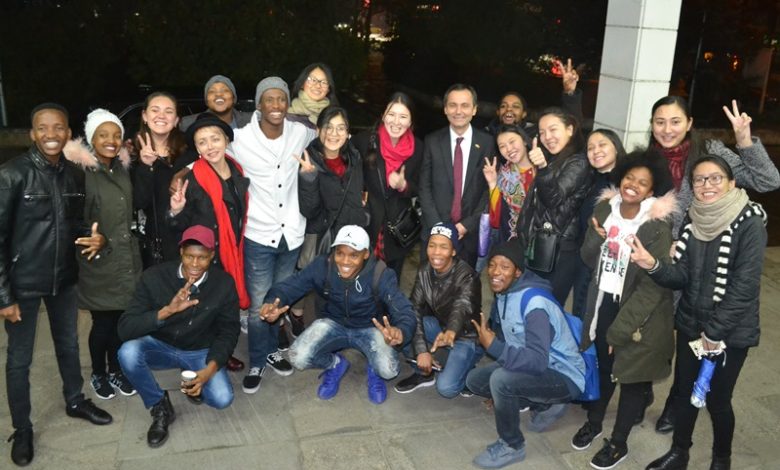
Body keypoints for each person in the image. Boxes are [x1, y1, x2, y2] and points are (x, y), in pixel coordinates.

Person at [648, 97, 780, 434]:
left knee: (688, 339)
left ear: (689, 123)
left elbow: (767, 181)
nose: (667, 129)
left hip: (699, 262)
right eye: (660, 122)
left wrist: (745, 141)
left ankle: (676, 404)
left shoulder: (709, 153)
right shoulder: (646, 158)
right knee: (656, 333)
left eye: (675, 121)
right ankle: (642, 391)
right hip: (656, 262)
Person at [630, 155, 767, 470]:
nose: (707, 185)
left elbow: (744, 288)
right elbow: (682, 276)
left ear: (732, 183)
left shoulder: (749, 223)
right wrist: (653, 265)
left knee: (718, 399)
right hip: (692, 324)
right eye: (700, 179)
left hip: (730, 331)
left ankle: (721, 459)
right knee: (684, 393)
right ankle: (679, 453)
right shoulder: (693, 218)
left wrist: (714, 333)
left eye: (715, 178)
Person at [0, 103, 112, 467]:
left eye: (59, 127)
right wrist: (4, 296)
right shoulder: (12, 175)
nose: (51, 134)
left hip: (64, 279)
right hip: (22, 285)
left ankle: (75, 400)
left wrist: (98, 239)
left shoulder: (73, 175)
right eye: (43, 128)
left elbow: (74, 224)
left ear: (68, 133)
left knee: (68, 344)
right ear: (33, 134)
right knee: (19, 360)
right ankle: (22, 429)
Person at [572, 151, 677, 469]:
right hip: (605, 301)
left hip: (641, 314)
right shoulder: (605, 208)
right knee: (605, 367)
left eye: (643, 182)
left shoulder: (656, 225)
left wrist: (620, 329)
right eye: (630, 177)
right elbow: (588, 258)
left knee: (632, 377)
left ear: (651, 190)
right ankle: (594, 421)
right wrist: (595, 238)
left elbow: (653, 286)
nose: (633, 185)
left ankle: (618, 443)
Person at [258, 225, 416, 404]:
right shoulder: (322, 266)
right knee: (298, 357)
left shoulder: (381, 274)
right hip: (333, 324)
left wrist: (401, 330)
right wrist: (272, 301)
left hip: (370, 328)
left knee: (388, 370)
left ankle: (374, 369)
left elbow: (404, 309)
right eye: (340, 253)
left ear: (366, 254)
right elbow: (291, 286)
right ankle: (336, 364)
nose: (345, 262)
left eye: (353, 255)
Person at [231, 76, 317, 394]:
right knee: (258, 306)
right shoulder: (240, 138)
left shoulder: (300, 132)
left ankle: (271, 352)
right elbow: (207, 150)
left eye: (281, 99)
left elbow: (331, 135)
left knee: (278, 300)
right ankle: (257, 360)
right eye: (269, 99)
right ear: (259, 104)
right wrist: (182, 172)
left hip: (291, 234)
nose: (276, 105)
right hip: (258, 233)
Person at [118, 225, 240, 448]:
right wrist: (166, 311)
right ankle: (159, 405)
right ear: (181, 252)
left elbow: (229, 330)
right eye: (189, 256)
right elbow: (125, 328)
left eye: (202, 258)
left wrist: (209, 370)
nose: (195, 264)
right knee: (127, 353)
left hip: (199, 350)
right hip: (161, 345)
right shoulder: (154, 277)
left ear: (212, 256)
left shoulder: (223, 284)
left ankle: (193, 382)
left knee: (222, 399)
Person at [466, 243, 585, 469]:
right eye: (492, 265)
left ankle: (512, 445)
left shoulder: (534, 304)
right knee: (475, 381)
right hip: (534, 365)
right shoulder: (506, 293)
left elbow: (538, 362)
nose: (495, 272)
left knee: (500, 381)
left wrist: (494, 347)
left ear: (518, 272)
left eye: (505, 267)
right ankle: (541, 403)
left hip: (563, 375)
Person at [62, 108, 141, 399]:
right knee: (103, 324)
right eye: (103, 135)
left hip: (125, 258)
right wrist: (91, 235)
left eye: (117, 135)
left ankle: (116, 370)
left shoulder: (122, 168)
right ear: (91, 139)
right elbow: (70, 216)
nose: (111, 140)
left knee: (120, 321)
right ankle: (98, 373)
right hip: (97, 260)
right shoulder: (79, 172)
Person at [167, 113, 251, 372]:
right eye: (202, 142)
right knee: (206, 310)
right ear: (196, 147)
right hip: (206, 255)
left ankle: (221, 353)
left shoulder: (237, 169)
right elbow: (179, 227)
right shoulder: (191, 179)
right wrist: (176, 211)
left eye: (215, 139)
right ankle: (204, 359)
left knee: (224, 307)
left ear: (226, 140)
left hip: (233, 249)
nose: (210, 146)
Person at [513, 107, 593, 305]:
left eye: (553, 129)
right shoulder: (555, 158)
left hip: (557, 249)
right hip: (541, 244)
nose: (547, 137)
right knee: (530, 303)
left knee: (545, 307)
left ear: (570, 130)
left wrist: (542, 168)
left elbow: (553, 198)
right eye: (542, 132)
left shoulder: (578, 162)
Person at [394, 223, 482, 397]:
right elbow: (414, 308)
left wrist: (451, 331)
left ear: (453, 251)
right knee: (405, 326)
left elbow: (462, 306)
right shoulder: (424, 270)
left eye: (443, 247)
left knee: (446, 389)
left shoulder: (467, 275)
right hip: (440, 329)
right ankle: (426, 371)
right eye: (432, 245)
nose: (436, 252)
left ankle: (469, 363)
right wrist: (422, 350)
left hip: (465, 336)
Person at [419, 83, 496, 267]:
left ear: (474, 109)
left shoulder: (487, 143)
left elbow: (488, 190)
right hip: (434, 233)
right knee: (429, 283)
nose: (458, 111)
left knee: (464, 283)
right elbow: (424, 187)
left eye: (465, 105)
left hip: (468, 235)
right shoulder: (432, 141)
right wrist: (439, 227)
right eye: (453, 105)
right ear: (445, 109)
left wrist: (467, 225)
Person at [354, 92, 424, 279]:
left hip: (397, 231)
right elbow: (350, 175)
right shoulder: (364, 141)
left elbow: (422, 187)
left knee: (389, 283)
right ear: (383, 115)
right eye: (391, 114)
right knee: (359, 281)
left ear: (411, 121)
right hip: (367, 224)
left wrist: (404, 185)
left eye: (403, 116)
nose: (396, 122)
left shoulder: (418, 148)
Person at [297, 105, 368, 261]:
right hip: (322, 241)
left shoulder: (354, 158)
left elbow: (357, 197)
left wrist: (363, 217)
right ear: (318, 130)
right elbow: (309, 212)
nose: (334, 134)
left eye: (340, 128)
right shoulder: (309, 161)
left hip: (350, 241)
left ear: (347, 133)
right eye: (328, 127)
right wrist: (309, 178)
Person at [132, 91, 192, 266]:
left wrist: (185, 170)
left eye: (168, 111)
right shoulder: (131, 155)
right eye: (155, 110)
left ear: (176, 120)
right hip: (154, 246)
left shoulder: (190, 153)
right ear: (145, 116)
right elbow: (139, 202)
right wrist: (146, 166)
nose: (161, 116)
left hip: (187, 241)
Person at [571, 129, 627, 317]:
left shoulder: (626, 183)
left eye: (602, 145)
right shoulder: (587, 179)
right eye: (590, 148)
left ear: (616, 148)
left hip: (608, 263)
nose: (596, 151)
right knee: (579, 312)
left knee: (596, 316)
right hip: (584, 255)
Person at [482, 124, 536, 244]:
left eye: (512, 142)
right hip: (515, 240)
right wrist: (492, 184)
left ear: (524, 140)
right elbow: (496, 221)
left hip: (545, 237)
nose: (509, 149)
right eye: (502, 146)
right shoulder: (503, 176)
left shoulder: (544, 166)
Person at [179, 75, 252, 131]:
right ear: (206, 101)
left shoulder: (252, 121)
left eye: (225, 90)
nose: (218, 94)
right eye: (212, 91)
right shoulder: (187, 124)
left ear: (234, 98)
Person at [287, 62, 338, 128]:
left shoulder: (335, 118)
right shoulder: (285, 117)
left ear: (328, 89)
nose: (318, 85)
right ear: (302, 84)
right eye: (313, 80)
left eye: (324, 82)